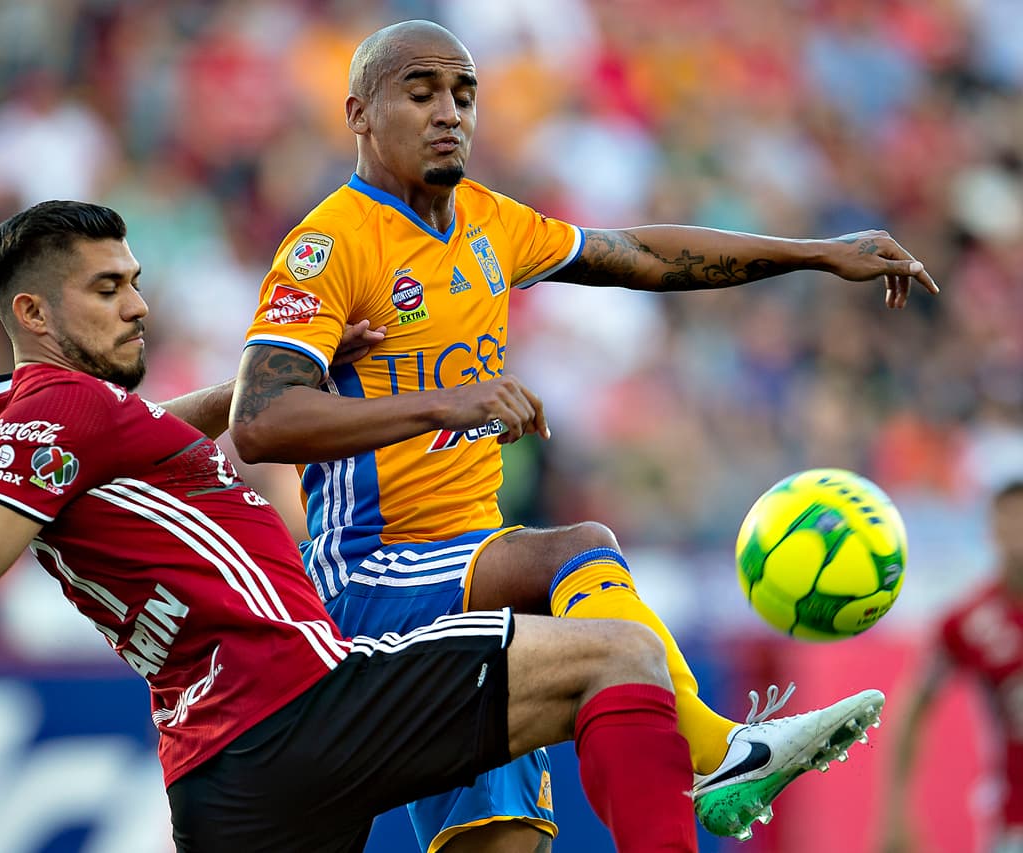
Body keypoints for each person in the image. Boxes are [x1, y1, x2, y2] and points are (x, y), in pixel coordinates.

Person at [0, 200, 702, 853]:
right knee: (616, 652)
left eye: (135, 280)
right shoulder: (62, 413)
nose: (139, 304)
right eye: (108, 289)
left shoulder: (70, 422)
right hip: (294, 702)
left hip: (221, 779)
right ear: (33, 312)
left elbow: (165, 427)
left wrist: (282, 378)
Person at [230, 19, 932, 852]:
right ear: (357, 111)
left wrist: (815, 253)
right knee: (581, 551)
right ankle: (714, 748)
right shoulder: (327, 246)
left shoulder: (490, 223)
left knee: (502, 841)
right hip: (373, 573)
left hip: (472, 582)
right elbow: (260, 420)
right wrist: (442, 404)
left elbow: (635, 251)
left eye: (463, 94)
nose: (449, 111)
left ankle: (718, 755)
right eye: (420, 94)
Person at [882, 481, 1023, 853]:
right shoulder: (969, 621)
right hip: (1013, 823)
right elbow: (914, 705)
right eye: (1008, 518)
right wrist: (896, 810)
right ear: (990, 529)